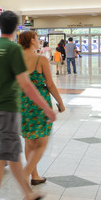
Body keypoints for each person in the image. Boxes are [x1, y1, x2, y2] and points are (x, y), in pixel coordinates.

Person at [0, 11, 56, 200]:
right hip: (7, 109)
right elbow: (25, 84)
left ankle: (28, 194)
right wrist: (46, 107)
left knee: (13, 154)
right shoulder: (12, 49)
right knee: (2, 155)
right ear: (16, 28)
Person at [18, 31, 66, 186]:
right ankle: (26, 174)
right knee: (42, 140)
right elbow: (50, 85)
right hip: (39, 104)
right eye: (37, 39)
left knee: (29, 139)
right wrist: (60, 102)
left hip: (23, 102)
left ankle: (35, 175)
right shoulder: (41, 60)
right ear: (32, 41)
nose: (39, 41)